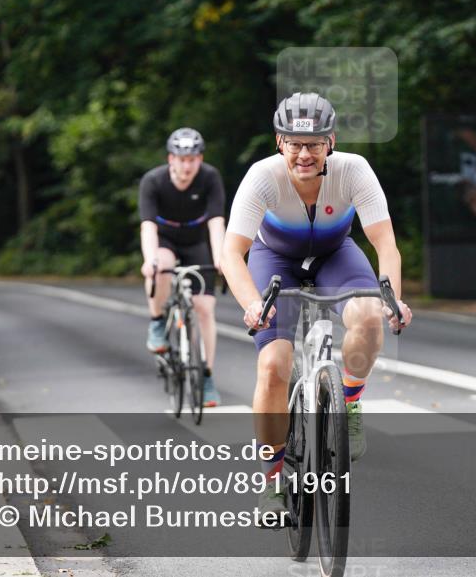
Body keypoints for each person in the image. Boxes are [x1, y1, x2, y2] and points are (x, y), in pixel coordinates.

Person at [221, 92, 413, 520]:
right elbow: (231, 252)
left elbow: (385, 243)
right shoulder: (262, 177)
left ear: (331, 142)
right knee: (274, 365)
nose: (304, 154)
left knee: (369, 317)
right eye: (294, 144)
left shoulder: (354, 170)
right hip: (274, 261)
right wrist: (252, 304)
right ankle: (272, 482)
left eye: (314, 144)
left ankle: (351, 399)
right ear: (279, 142)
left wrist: (392, 298)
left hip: (334, 254)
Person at [138, 128, 226, 407]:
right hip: (165, 240)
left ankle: (206, 376)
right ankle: (157, 321)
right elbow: (148, 227)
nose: (187, 166)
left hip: (196, 240)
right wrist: (150, 260)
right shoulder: (153, 181)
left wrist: (221, 258)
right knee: (161, 265)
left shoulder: (210, 178)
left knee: (205, 309)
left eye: (192, 160)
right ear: (171, 159)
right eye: (181, 159)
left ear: (200, 159)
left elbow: (216, 223)